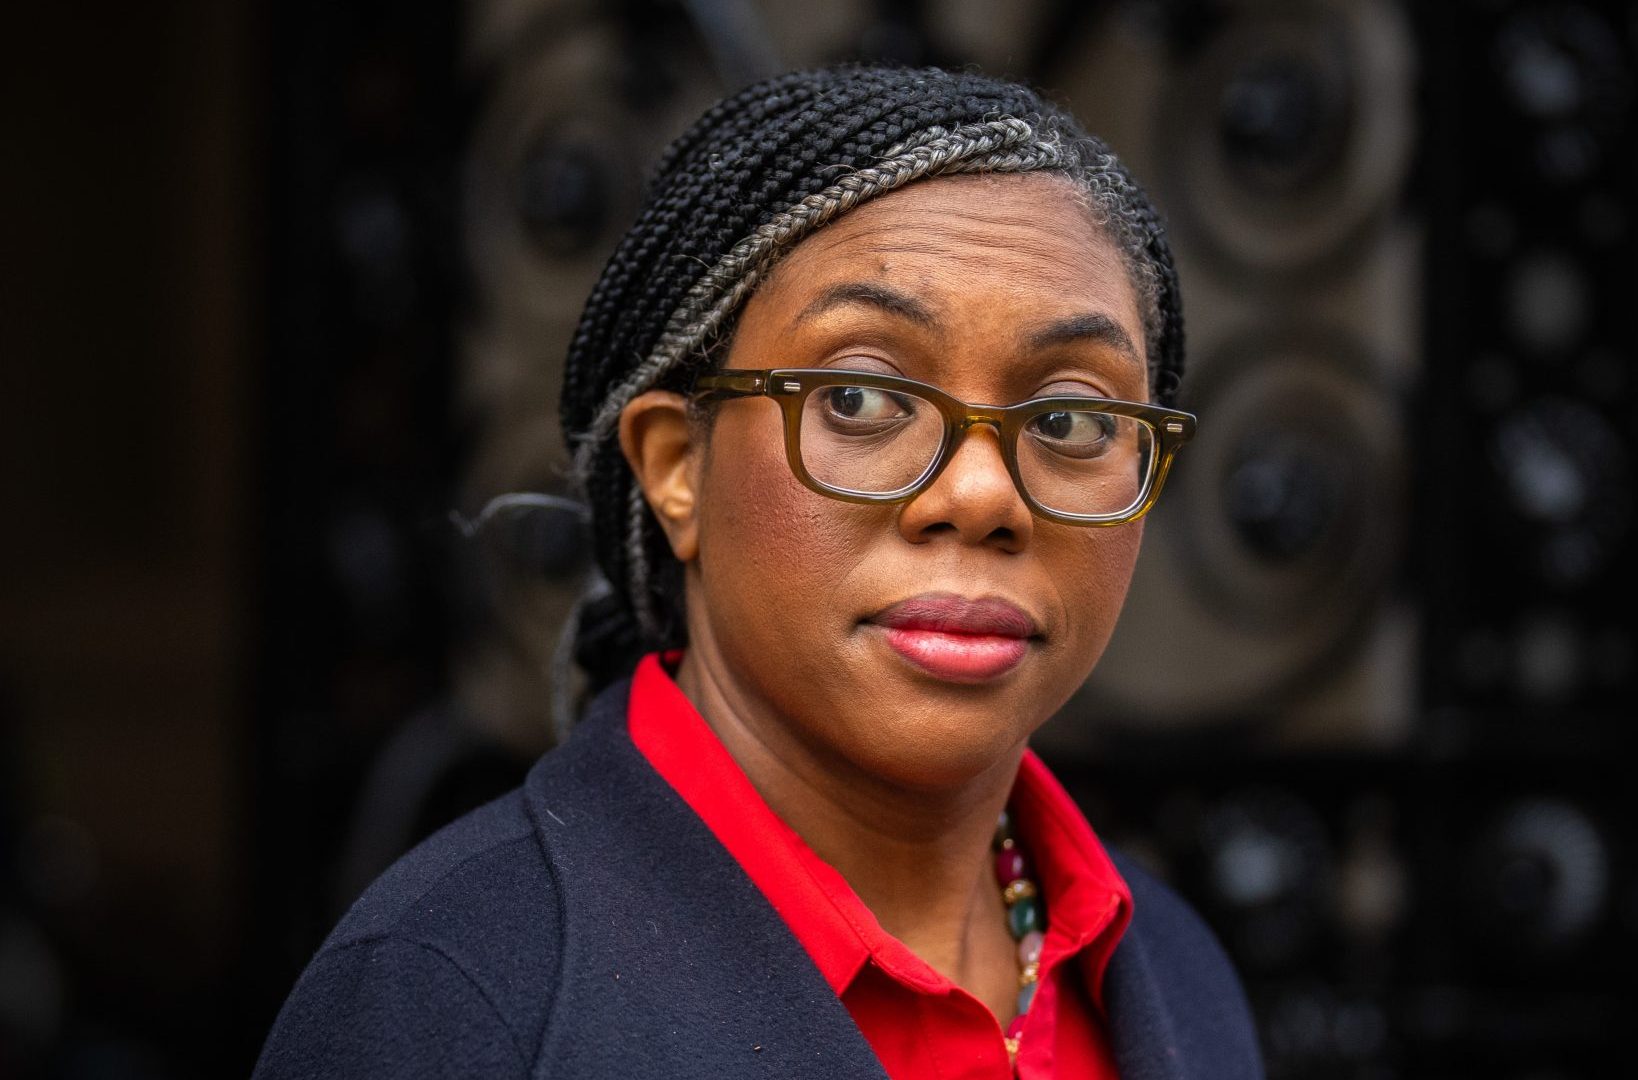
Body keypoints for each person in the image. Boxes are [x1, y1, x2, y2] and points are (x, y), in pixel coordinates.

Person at [254, 65, 1261, 1080]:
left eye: (1070, 418)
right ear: (676, 468)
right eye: (861, 400)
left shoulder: (1173, 979)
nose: (983, 495)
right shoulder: (453, 999)